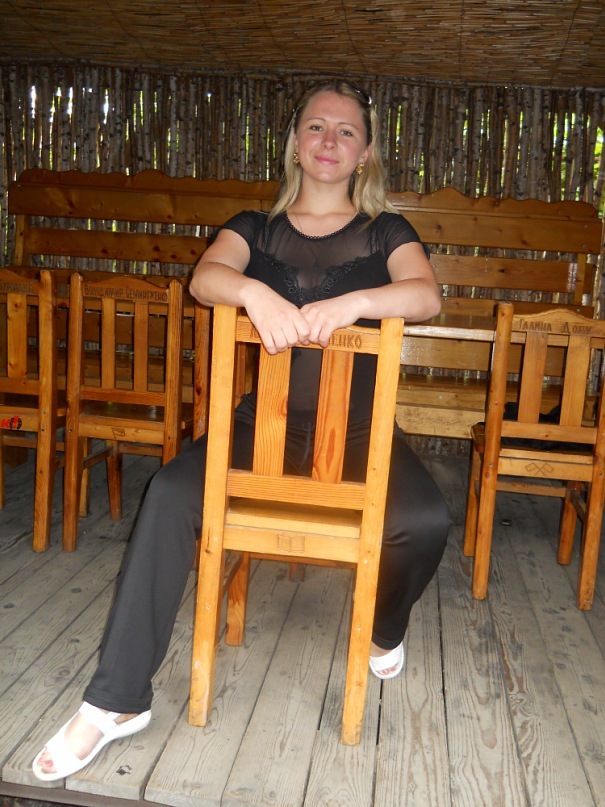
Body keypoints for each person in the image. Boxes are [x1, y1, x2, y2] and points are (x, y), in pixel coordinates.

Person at [33, 78, 451, 782]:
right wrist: (255, 290)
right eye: (315, 126)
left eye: (345, 131)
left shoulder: (386, 233)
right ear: (295, 142)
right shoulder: (253, 228)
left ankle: (384, 627)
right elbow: (206, 279)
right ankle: (116, 701)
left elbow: (425, 296)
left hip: (359, 433)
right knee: (169, 494)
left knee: (426, 520)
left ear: (364, 154)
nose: (328, 140)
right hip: (263, 425)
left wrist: (354, 301)